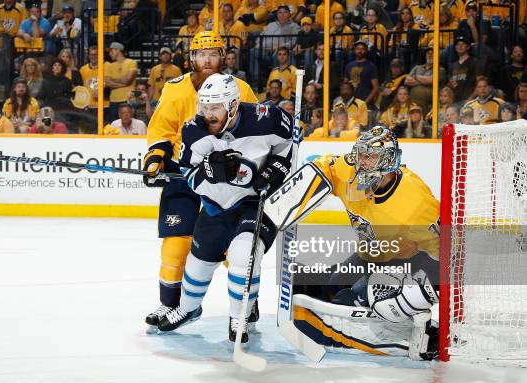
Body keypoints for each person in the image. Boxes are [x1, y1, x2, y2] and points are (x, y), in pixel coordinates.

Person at [156, 73, 292, 343]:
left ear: (233, 105)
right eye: (204, 107)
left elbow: (287, 147)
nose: (208, 114)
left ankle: (238, 316)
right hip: (216, 206)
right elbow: (189, 178)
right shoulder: (194, 131)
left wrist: (276, 170)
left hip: (256, 202)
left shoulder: (269, 118)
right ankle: (187, 309)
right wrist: (210, 173)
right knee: (197, 265)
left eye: (214, 107)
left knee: (244, 254)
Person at [142, 31, 258, 329]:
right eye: (200, 54)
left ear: (223, 57)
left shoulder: (241, 88)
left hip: (227, 182)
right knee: (176, 242)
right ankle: (171, 304)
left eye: (213, 54)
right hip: (185, 175)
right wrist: (156, 159)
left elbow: (255, 132)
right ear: (191, 58)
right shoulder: (174, 90)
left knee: (238, 246)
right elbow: (162, 131)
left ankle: (247, 302)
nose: (206, 59)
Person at [289, 127, 440, 357]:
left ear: (388, 161)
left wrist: (419, 293)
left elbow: (448, 255)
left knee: (347, 302)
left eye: (369, 156)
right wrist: (302, 185)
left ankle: (399, 330)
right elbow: (324, 166)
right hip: (371, 254)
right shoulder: (349, 171)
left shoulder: (415, 202)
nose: (361, 162)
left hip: (403, 263)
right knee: (331, 283)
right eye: (360, 154)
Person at [104, 41, 138, 123]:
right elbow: (107, 83)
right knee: (114, 126)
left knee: (130, 125)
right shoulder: (109, 65)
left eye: (111, 51)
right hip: (114, 101)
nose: (110, 54)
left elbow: (128, 80)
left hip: (128, 99)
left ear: (117, 50)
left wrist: (114, 80)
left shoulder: (131, 62)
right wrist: (123, 82)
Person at [405, 45, 445, 110]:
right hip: (412, 103)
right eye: (428, 53)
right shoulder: (417, 67)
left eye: (432, 53)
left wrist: (416, 77)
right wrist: (424, 81)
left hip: (430, 102)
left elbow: (431, 80)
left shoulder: (440, 69)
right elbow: (407, 81)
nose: (430, 55)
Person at [345, 40, 379, 107]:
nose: (359, 51)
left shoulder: (371, 66)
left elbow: (375, 87)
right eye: (357, 49)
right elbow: (345, 84)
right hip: (351, 102)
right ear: (354, 50)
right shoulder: (349, 65)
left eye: (362, 49)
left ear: (366, 51)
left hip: (365, 101)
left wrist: (365, 103)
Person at [448, 35, 481, 102]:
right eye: (458, 44)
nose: (460, 46)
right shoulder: (452, 65)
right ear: (455, 47)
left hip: (470, 101)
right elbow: (449, 84)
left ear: (468, 47)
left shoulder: (475, 62)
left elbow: (480, 83)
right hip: (455, 102)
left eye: (463, 44)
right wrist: (450, 84)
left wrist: (470, 99)